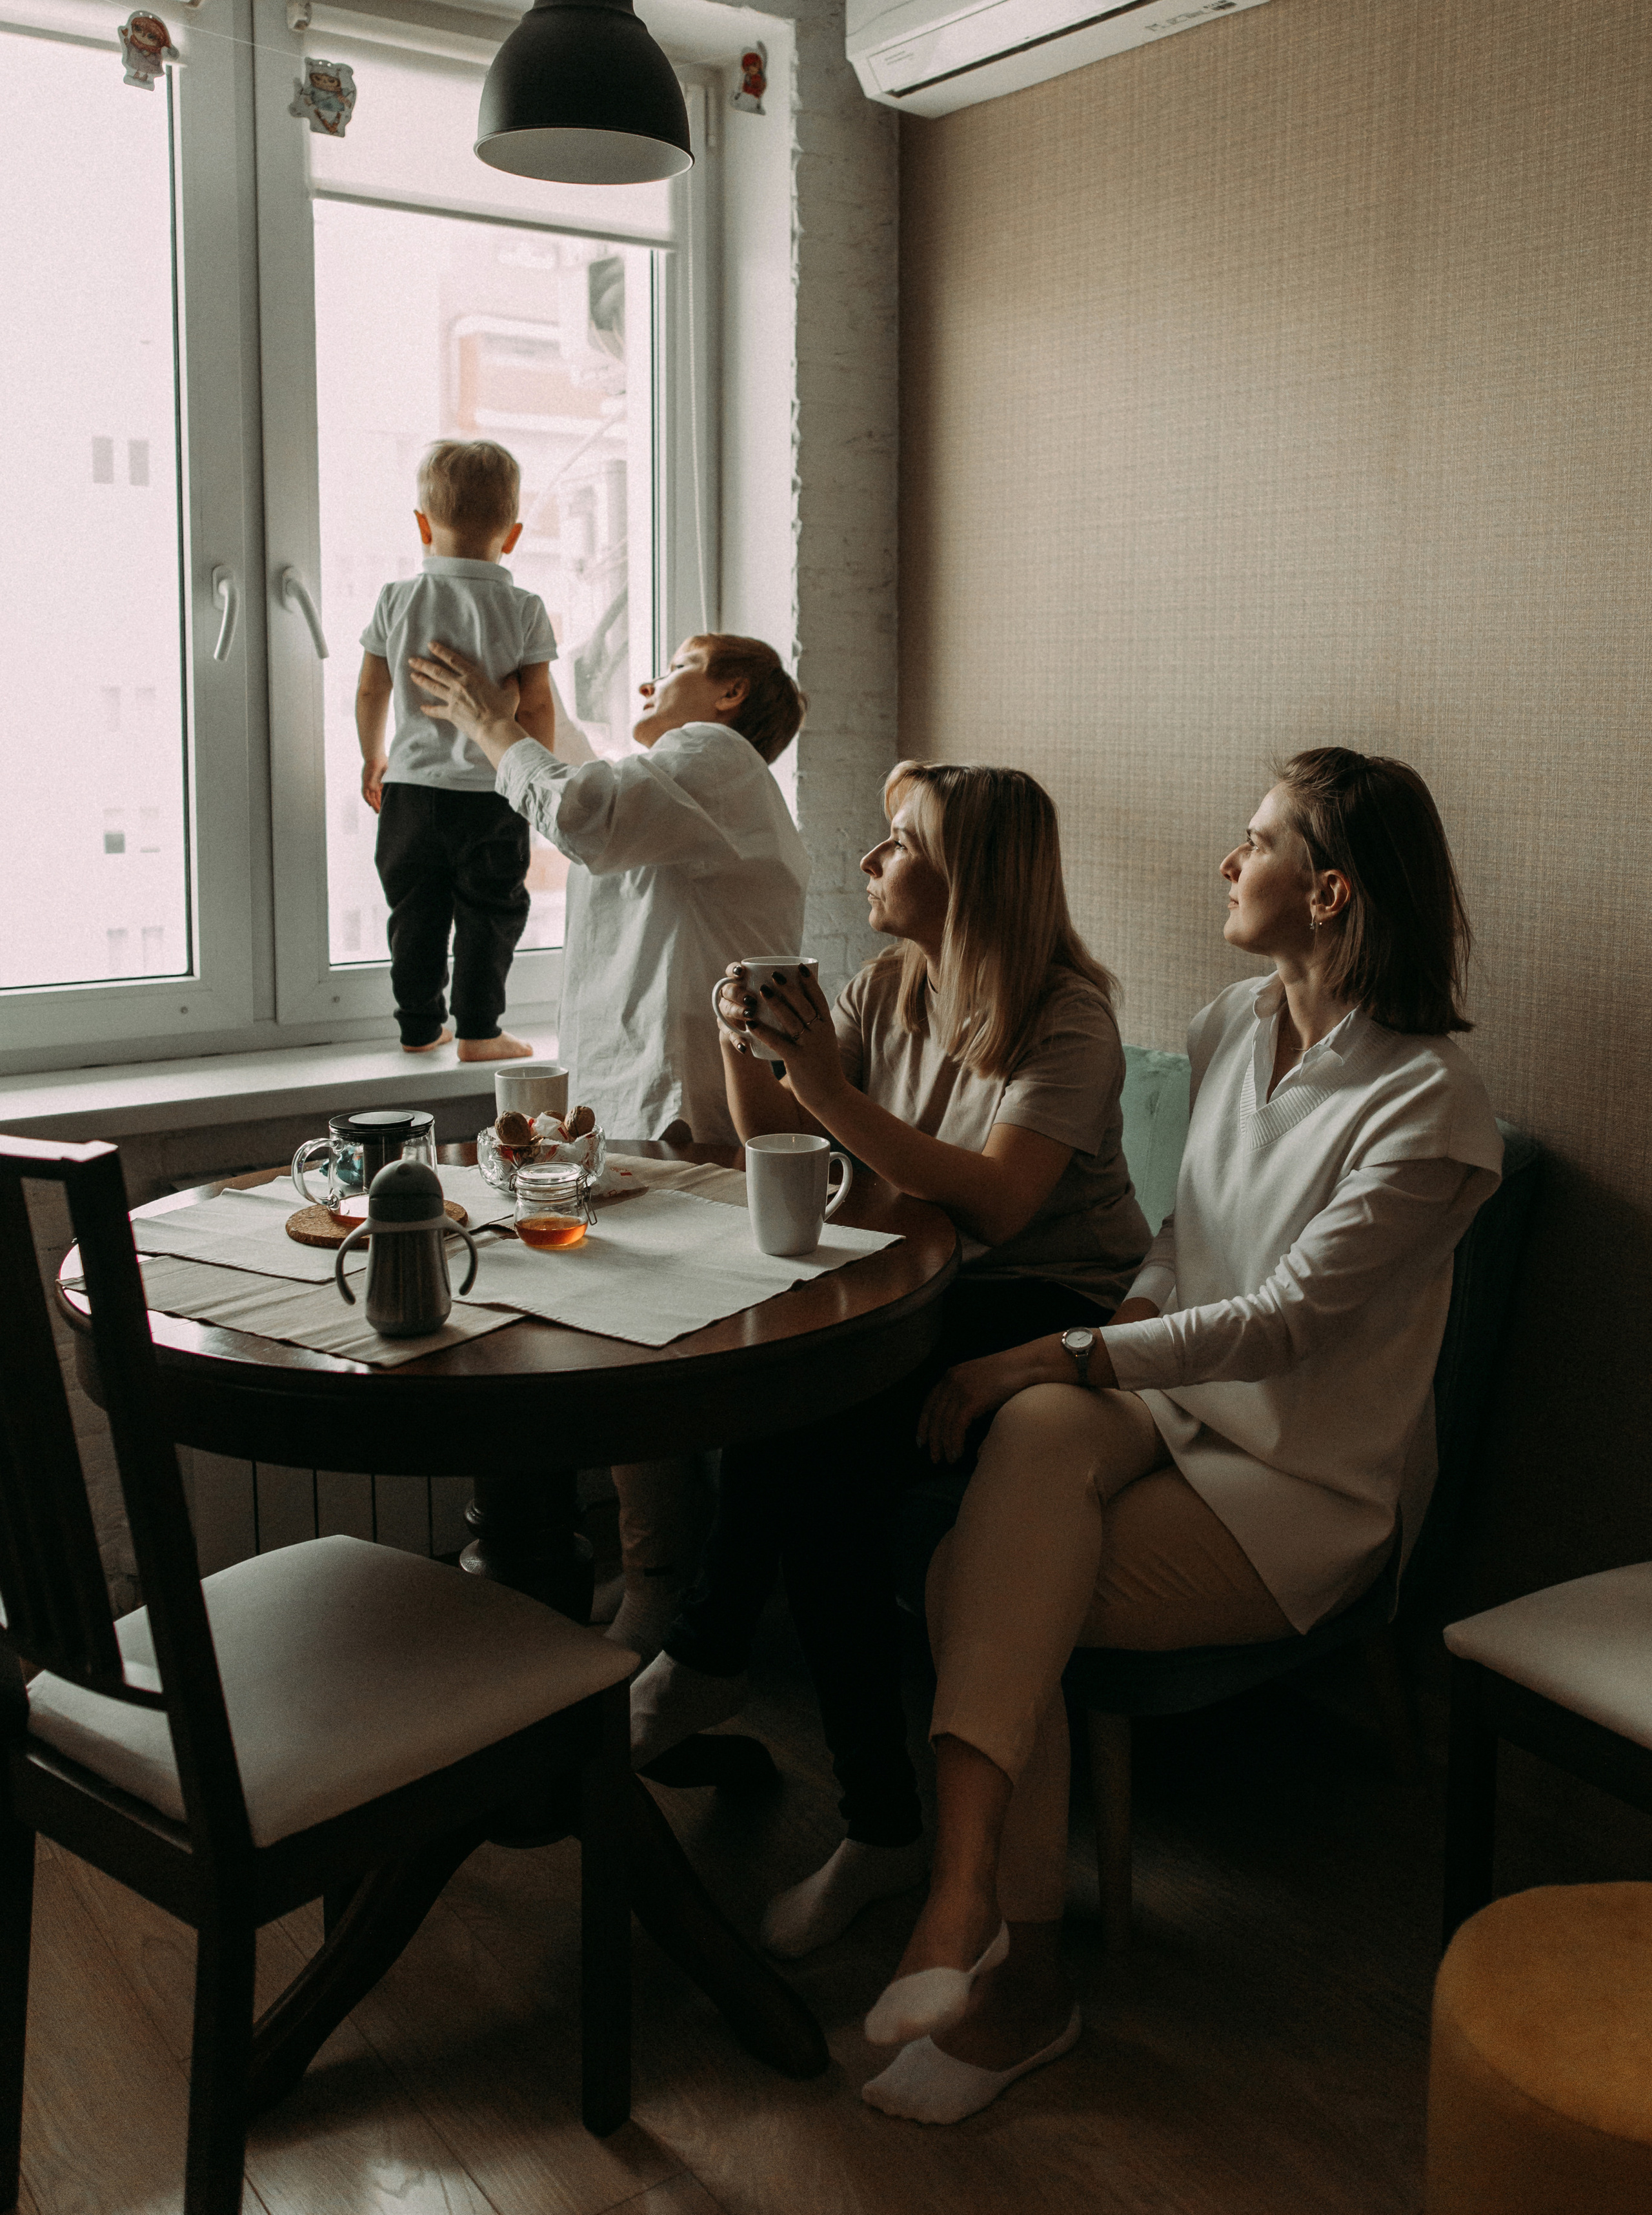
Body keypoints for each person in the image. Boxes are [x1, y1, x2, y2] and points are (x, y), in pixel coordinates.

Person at [857, 747, 1504, 2127]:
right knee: (1030, 1438)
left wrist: (1063, 1345)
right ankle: (968, 1902)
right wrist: (1096, 1347)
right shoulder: (1225, 1025)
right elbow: (1177, 1243)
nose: (1228, 860)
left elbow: (1277, 1321)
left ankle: (1011, 1967)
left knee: (983, 1574)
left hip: (1298, 1478)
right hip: (1166, 1408)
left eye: (1255, 840)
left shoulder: (1426, 1107)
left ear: (1327, 893)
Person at [626, 760, 1152, 1961]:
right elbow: (788, 1153)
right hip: (919, 1287)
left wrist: (814, 1079)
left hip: (1041, 1301)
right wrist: (746, 1056)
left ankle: (818, 1770)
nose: (871, 863)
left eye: (899, 844)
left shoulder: (1069, 1019)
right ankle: (748, 1701)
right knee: (785, 1396)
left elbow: (1001, 1208)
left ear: (969, 880)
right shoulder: (886, 986)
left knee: (812, 1443)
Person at [405, 625, 809, 1656]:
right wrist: (524, 713)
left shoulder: (718, 763)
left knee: (656, 1373)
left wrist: (496, 726)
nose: (647, 675)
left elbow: (579, 808)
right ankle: (661, 1591)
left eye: (674, 663)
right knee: (640, 1368)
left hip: (686, 1118)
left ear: (729, 694)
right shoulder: (685, 782)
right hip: (652, 1111)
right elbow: (585, 781)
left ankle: (669, 1604)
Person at [356, 438, 555, 1062]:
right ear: (513, 535)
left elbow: (370, 688)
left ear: (423, 525)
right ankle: (478, 1031)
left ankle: (418, 1027)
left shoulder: (397, 599)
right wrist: (535, 780)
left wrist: (373, 756)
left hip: (411, 793)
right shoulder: (523, 608)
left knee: (413, 913)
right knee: (489, 915)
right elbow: (537, 704)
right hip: (492, 793)